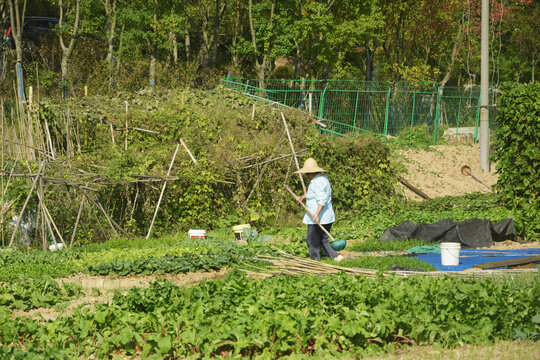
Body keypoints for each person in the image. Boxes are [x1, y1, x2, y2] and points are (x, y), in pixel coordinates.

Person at [295, 158, 344, 262]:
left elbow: (322, 199)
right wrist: (302, 197)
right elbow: (313, 194)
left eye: (306, 173)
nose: (306, 175)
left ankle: (315, 260)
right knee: (323, 240)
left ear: (310, 172)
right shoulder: (322, 178)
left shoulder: (317, 182)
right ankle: (336, 257)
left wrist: (316, 214)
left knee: (312, 241)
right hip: (327, 217)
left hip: (318, 218)